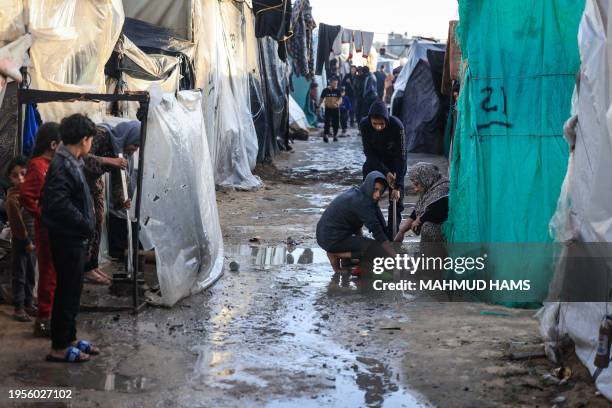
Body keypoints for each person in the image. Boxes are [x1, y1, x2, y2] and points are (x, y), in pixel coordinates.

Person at [42, 113, 98, 363]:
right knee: (66, 291)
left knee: (73, 290)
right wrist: (84, 223)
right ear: (84, 139)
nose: (91, 144)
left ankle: (70, 338)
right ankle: (59, 347)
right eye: (91, 140)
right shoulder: (63, 163)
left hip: (74, 238)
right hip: (67, 238)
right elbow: (58, 204)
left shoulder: (71, 160)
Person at [83, 121, 139, 285]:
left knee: (98, 223)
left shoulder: (120, 149)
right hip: (80, 183)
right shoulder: (101, 135)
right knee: (89, 224)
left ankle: (91, 266)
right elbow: (83, 158)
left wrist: (122, 202)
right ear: (128, 136)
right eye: (135, 144)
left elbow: (117, 180)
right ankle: (85, 268)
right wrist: (110, 161)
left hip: (94, 183)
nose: (134, 149)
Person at [20, 122, 61, 336]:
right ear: (54, 144)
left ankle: (49, 314)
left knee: (53, 272)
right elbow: (27, 196)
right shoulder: (38, 165)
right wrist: (42, 214)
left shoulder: (50, 164)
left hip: (54, 227)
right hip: (46, 228)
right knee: (48, 273)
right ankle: (44, 319)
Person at [316, 171, 394, 273]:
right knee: (374, 248)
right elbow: (378, 232)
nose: (378, 195)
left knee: (363, 239)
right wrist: (395, 256)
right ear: (369, 187)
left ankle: (345, 261)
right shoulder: (362, 203)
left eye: (381, 191)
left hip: (325, 234)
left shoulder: (359, 193)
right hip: (331, 239)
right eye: (375, 190)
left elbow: (379, 222)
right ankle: (335, 254)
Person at [360, 100, 406, 239]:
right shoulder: (364, 125)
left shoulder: (397, 126)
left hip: (395, 164)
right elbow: (369, 153)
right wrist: (385, 173)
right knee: (370, 198)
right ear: (370, 121)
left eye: (382, 124)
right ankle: (379, 233)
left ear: (387, 120)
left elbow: (402, 156)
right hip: (374, 163)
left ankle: (392, 236)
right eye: (375, 124)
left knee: (396, 201)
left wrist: (397, 185)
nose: (378, 127)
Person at [4, 156, 37, 322]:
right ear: (9, 178)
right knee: (20, 274)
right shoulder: (12, 198)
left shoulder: (30, 193)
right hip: (21, 241)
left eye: (24, 174)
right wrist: (26, 242)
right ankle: (19, 308)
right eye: (16, 176)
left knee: (31, 273)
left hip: (33, 240)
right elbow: (16, 223)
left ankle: (29, 302)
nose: (21, 179)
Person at [394, 162, 449, 244]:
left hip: (447, 231)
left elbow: (434, 212)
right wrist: (401, 231)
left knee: (427, 227)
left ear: (426, 177)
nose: (415, 189)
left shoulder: (443, 189)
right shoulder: (430, 188)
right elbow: (416, 212)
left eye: (417, 184)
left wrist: (419, 220)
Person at [319, 78, 342, 143]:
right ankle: (326, 135)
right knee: (327, 122)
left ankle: (335, 135)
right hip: (328, 108)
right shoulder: (325, 90)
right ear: (330, 83)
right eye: (334, 83)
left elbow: (340, 99)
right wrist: (318, 106)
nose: (335, 85)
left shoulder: (338, 90)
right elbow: (321, 99)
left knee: (336, 122)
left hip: (336, 109)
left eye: (336, 83)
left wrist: (337, 103)